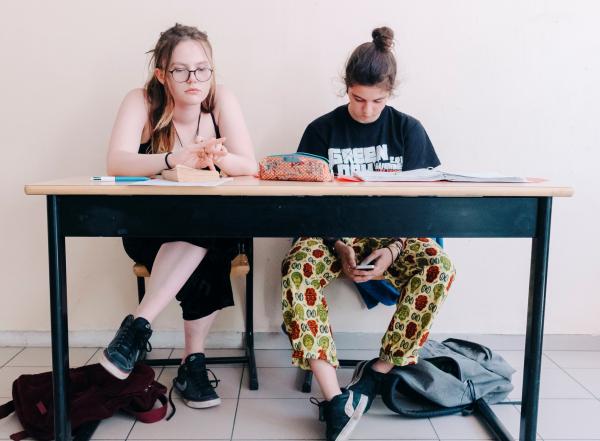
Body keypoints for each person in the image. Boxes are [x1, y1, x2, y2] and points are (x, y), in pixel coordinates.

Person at [281, 27, 456, 441]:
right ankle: (333, 398)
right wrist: (339, 243)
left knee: (439, 267)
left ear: (390, 92)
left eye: (377, 100)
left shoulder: (408, 130)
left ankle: (378, 371)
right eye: (358, 98)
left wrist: (394, 250)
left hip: (395, 237)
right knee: (296, 268)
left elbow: (423, 204)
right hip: (332, 236)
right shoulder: (322, 130)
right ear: (347, 88)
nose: (366, 109)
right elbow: (307, 203)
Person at [101, 24, 257, 410]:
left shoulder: (221, 99)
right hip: (151, 228)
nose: (194, 80)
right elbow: (116, 162)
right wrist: (174, 158)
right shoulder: (141, 101)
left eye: (202, 69)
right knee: (207, 240)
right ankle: (192, 364)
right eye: (181, 70)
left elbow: (249, 165)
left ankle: (137, 328)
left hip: (211, 227)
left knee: (210, 234)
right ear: (162, 74)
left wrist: (218, 156)